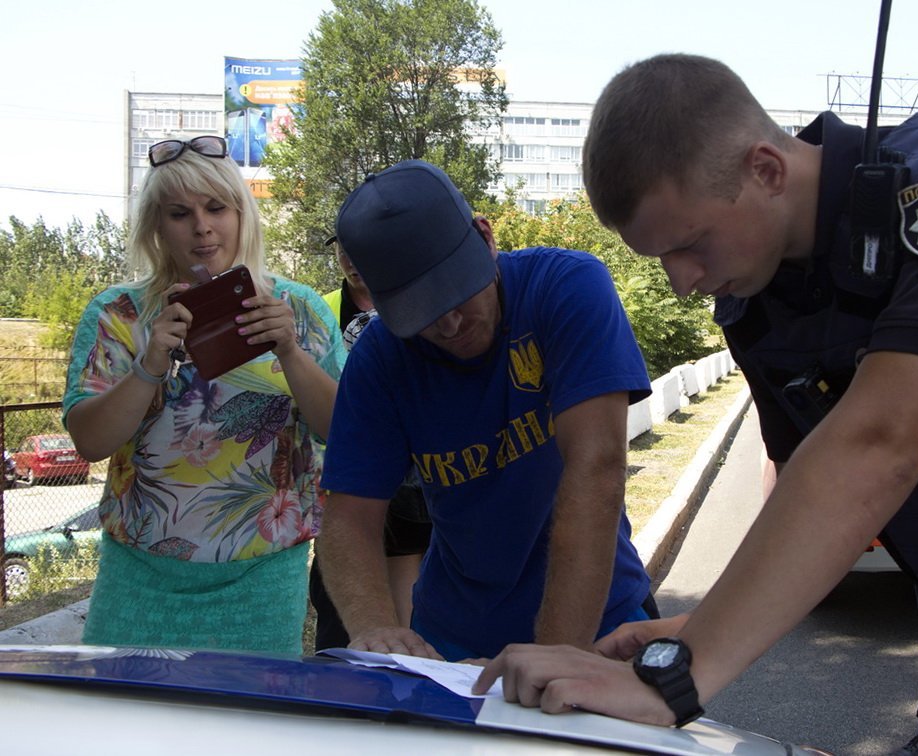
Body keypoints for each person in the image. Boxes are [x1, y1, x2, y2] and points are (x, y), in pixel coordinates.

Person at [476, 54, 918, 753]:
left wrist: (677, 678)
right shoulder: (757, 301)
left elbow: (878, 444)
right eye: (659, 259)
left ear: (766, 169)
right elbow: (800, 486)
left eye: (689, 245)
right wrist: (702, 627)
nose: (681, 283)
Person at [316, 159, 657, 662]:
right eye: (420, 312)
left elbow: (597, 468)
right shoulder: (380, 358)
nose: (450, 324)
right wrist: (375, 627)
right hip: (452, 637)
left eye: (457, 291)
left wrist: (553, 659)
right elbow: (348, 516)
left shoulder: (566, 287)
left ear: (485, 237)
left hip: (601, 623)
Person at [63, 135, 345, 654]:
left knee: (246, 707)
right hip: (139, 572)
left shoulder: (299, 310)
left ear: (242, 214)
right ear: (155, 225)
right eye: (179, 213)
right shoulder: (118, 313)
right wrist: (151, 363)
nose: (202, 226)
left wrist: (289, 351)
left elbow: (344, 432)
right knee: (127, 704)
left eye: (217, 207)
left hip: (261, 576)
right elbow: (90, 441)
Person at [308, 235, 432, 649]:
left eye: (361, 247)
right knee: (343, 611)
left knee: (413, 605)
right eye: (342, 249)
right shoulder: (320, 308)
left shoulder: (420, 299)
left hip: (417, 476)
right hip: (350, 473)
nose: (351, 259)